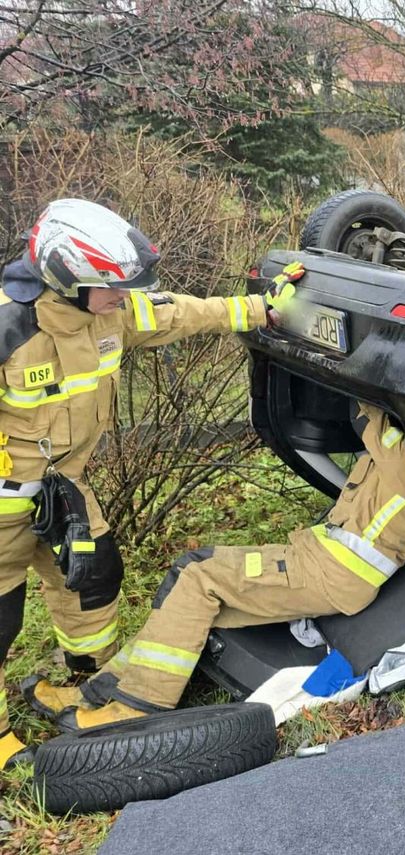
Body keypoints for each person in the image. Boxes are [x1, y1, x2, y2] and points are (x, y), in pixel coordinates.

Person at [0, 198, 293, 766]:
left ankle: (86, 687)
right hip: (4, 502)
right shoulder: (9, 329)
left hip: (65, 491)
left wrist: (258, 310)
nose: (123, 296)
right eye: (111, 286)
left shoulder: (109, 313)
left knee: (93, 584)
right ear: (66, 279)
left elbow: (179, 313)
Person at [26, 403, 405, 728]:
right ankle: (98, 691)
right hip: (319, 559)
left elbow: (365, 412)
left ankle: (138, 708)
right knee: (190, 573)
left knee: (200, 579)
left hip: (333, 572)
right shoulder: (396, 438)